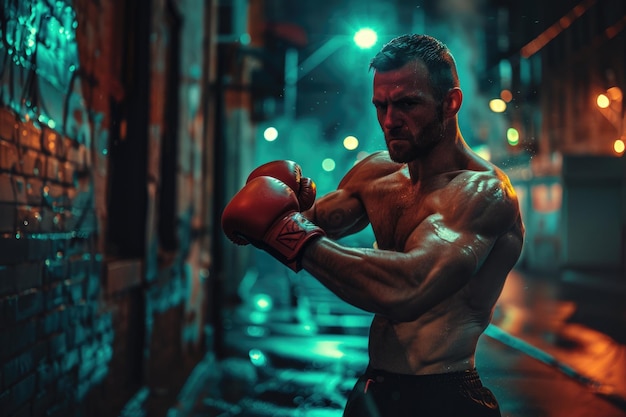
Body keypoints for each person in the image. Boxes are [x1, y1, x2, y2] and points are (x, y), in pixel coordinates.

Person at [222, 33, 525, 417]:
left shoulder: (483, 192)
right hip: (373, 389)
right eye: (380, 106)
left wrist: (288, 233)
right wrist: (272, 212)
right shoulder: (377, 173)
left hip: (444, 395)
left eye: (406, 104)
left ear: (450, 102)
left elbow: (409, 287)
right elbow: (296, 227)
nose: (389, 121)